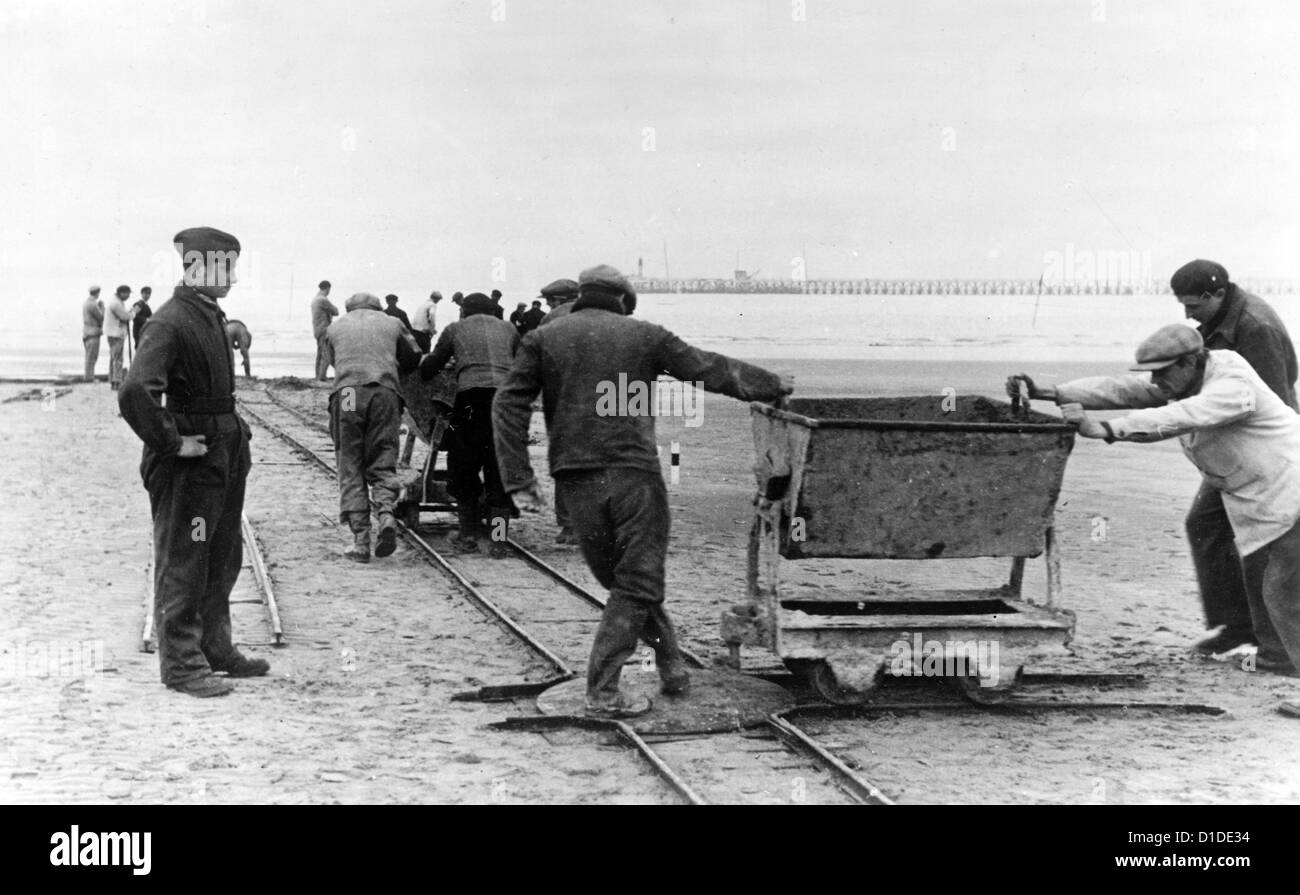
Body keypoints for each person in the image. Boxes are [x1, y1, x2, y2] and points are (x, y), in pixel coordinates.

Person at [493, 264, 792, 717]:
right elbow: (708, 369)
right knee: (637, 580)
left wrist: (519, 479)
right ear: (624, 300)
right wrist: (770, 385)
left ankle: (672, 666)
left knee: (623, 580)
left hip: (574, 478)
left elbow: (507, 403)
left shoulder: (544, 337)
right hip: (634, 475)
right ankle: (604, 691)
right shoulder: (646, 335)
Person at [1008, 324, 1300, 717]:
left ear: (1192, 361)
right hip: (1267, 498)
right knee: (1276, 588)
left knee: (1284, 593)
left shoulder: (1231, 386)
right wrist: (1053, 392)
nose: (1157, 381)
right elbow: (1127, 390)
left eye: (1164, 371)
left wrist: (1107, 429)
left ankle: (1279, 661)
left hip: (1290, 492)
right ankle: (1275, 658)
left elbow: (1179, 416)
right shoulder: (1194, 377)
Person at [119, 226, 266, 698]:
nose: (235, 277)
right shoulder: (170, 319)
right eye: (228, 266)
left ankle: (215, 649)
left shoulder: (206, 314)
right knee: (186, 556)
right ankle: (182, 665)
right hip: (192, 461)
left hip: (221, 452)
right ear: (199, 266)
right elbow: (136, 389)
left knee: (222, 554)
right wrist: (171, 443)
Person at [1168, 259, 1299, 659]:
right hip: (1237, 448)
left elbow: (1272, 405)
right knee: (1205, 523)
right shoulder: (1220, 319)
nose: (1187, 315)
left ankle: (1273, 646)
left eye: (1194, 306)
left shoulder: (1256, 328)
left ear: (1219, 294)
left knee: (1263, 540)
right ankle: (1237, 627)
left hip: (1268, 454)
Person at [322, 292, 421, 562]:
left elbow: (332, 360)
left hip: (349, 393)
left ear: (348, 307)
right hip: (384, 392)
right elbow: (414, 354)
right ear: (377, 307)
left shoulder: (335, 326)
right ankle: (387, 515)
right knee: (382, 459)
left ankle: (361, 542)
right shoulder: (392, 322)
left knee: (350, 462)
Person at [420, 292, 520, 556]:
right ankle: (499, 541)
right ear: (492, 311)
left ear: (464, 311)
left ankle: (468, 535)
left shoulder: (456, 328)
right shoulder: (509, 328)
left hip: (471, 400)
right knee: (500, 472)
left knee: (463, 465)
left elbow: (430, 367)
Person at [104, 285, 133, 390]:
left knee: (114, 357)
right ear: (122, 293)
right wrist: (133, 313)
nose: (128, 296)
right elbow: (125, 317)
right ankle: (116, 381)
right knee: (118, 359)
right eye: (128, 294)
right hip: (116, 334)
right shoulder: (116, 303)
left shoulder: (116, 301)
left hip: (114, 333)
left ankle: (113, 380)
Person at [311, 280, 339, 381]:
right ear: (327, 289)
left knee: (320, 353)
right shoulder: (323, 300)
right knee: (327, 353)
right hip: (324, 329)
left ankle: (318, 375)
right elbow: (336, 311)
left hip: (317, 329)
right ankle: (322, 376)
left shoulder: (315, 299)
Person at [81, 286, 104, 382]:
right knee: (92, 357)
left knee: (88, 356)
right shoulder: (93, 304)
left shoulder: (86, 303)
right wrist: (102, 307)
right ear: (97, 293)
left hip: (86, 333)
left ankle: (88, 376)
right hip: (93, 333)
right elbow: (101, 317)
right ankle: (89, 378)